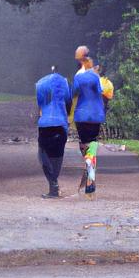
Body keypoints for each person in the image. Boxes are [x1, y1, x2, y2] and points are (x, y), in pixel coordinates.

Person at [71, 46, 105, 196]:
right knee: (92, 145)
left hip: (82, 115)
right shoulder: (95, 76)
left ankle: (89, 174)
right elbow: (100, 92)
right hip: (96, 115)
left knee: (85, 146)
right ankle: (90, 177)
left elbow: (73, 93)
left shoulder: (78, 76)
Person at [35, 65, 71, 198]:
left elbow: (40, 103)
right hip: (61, 124)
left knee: (43, 155)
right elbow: (68, 101)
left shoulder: (40, 84)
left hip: (45, 124)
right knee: (57, 156)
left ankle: (53, 185)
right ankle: (54, 184)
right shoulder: (65, 83)